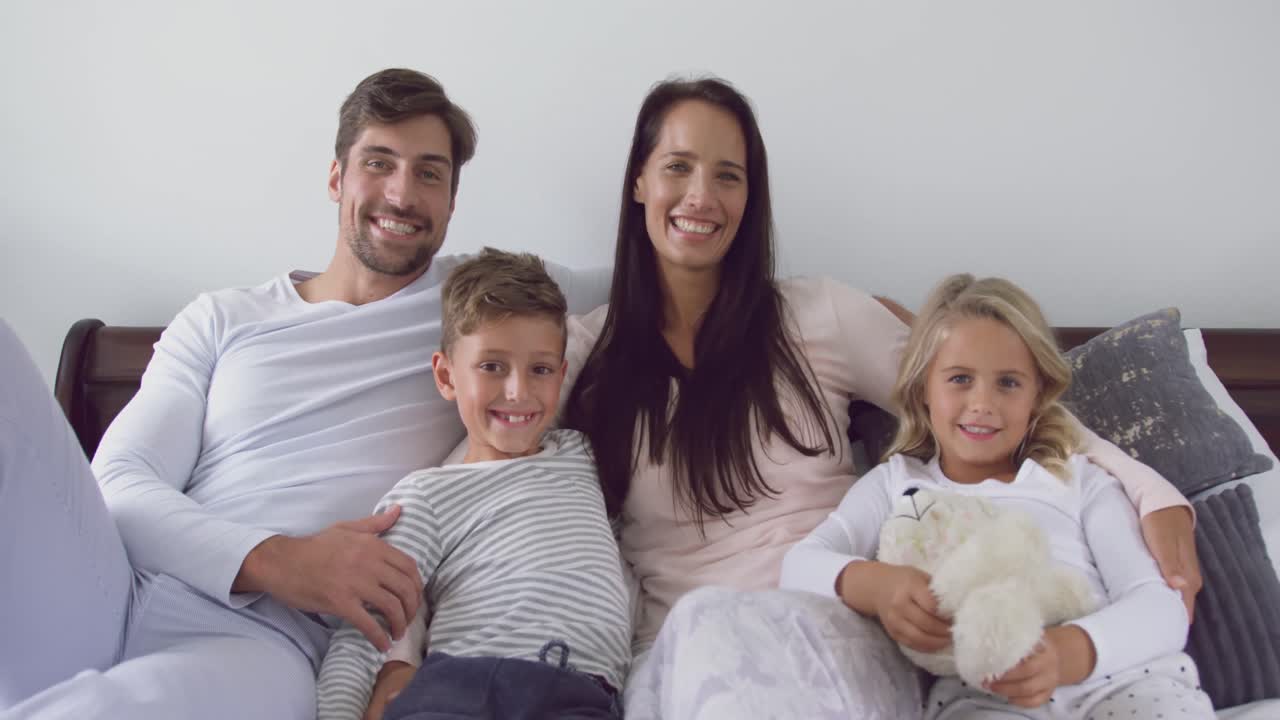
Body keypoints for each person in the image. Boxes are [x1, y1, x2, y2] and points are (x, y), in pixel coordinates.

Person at [561, 77, 1203, 718]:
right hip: (673, 652)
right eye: (678, 166)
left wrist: (1152, 492)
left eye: (728, 176)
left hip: (829, 636)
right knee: (691, 638)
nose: (702, 196)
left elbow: (980, 403)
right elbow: (479, 426)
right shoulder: (580, 351)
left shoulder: (819, 315)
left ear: (750, 198)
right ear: (639, 181)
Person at [0, 69, 609, 720]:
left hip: (263, 642)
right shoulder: (223, 316)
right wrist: (275, 559)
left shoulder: (480, 307)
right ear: (336, 177)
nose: (402, 193)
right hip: (110, 582)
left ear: (453, 202)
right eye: (380, 163)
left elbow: (661, 278)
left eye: (430, 173)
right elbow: (119, 483)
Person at [780, 273, 1215, 719]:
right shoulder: (895, 483)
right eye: (960, 379)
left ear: (1037, 395)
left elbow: (1161, 607)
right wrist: (877, 586)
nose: (982, 403)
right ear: (923, 388)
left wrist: (1072, 651)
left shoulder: (1078, 480)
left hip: (1119, 682)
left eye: (1008, 383)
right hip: (986, 695)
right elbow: (799, 565)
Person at [315, 248, 630, 720]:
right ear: (446, 375)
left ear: (562, 375)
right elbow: (366, 627)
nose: (518, 391)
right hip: (460, 683)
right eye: (492, 366)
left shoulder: (580, 454)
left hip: (577, 691)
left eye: (540, 369)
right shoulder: (427, 496)